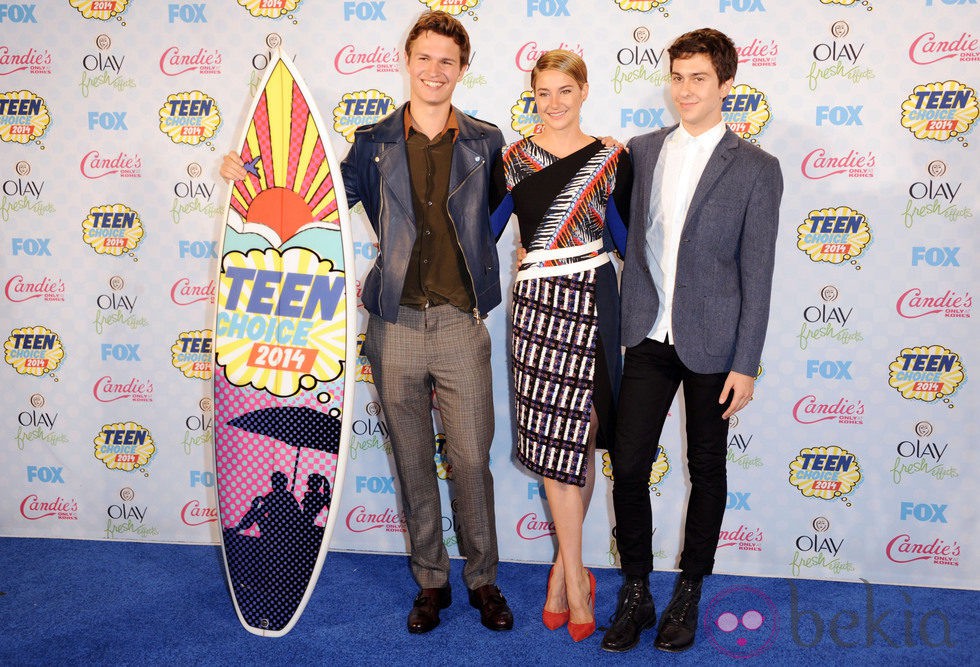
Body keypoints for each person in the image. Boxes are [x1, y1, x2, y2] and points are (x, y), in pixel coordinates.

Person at [220, 11, 513, 635]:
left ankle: (483, 578)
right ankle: (431, 581)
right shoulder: (372, 142)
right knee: (410, 456)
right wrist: (248, 178)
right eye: (424, 58)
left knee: (469, 458)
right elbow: (311, 201)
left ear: (463, 69)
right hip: (393, 322)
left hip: (461, 321)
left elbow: (493, 217)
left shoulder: (486, 142)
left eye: (447, 60)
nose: (434, 70)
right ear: (407, 62)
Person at [600, 28, 783, 654]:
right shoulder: (642, 151)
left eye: (699, 78)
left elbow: (758, 276)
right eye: (677, 77)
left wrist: (746, 363)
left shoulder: (758, 168)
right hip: (648, 333)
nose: (685, 89)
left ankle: (689, 591)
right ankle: (636, 590)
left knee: (707, 470)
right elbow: (618, 229)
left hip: (715, 342)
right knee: (627, 465)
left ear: (726, 85)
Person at [490, 50, 630, 643]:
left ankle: (562, 570)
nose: (554, 103)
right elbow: (479, 231)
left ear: (585, 89)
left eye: (565, 90)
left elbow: (628, 238)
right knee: (554, 437)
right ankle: (576, 580)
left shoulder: (613, 157)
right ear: (533, 94)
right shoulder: (512, 159)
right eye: (543, 92)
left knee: (587, 431)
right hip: (538, 306)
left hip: (596, 299)